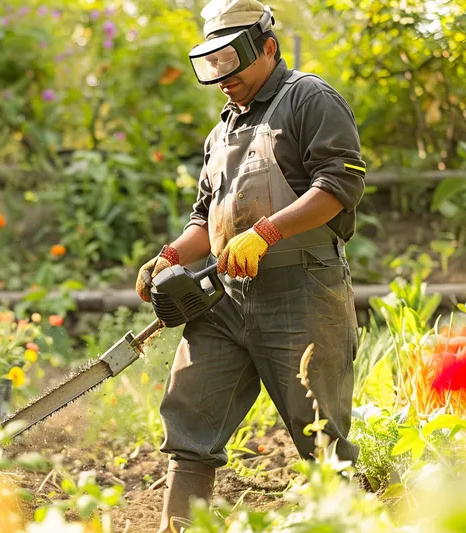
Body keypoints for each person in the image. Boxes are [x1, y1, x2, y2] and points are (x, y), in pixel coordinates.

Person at [134, 1, 367, 531]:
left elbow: (339, 185)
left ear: (267, 47)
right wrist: (170, 255)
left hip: (301, 293)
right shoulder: (222, 132)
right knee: (190, 424)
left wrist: (267, 232)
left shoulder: (309, 99)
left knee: (321, 438)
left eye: (231, 61)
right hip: (223, 299)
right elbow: (205, 217)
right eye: (211, 64)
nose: (222, 77)